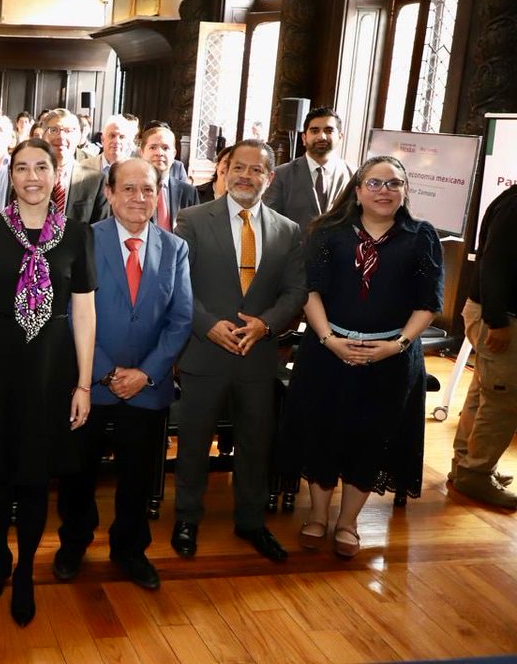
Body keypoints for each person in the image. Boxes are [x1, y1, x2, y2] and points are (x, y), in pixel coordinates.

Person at [0, 137, 95, 627]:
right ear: (9, 176)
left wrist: (83, 385)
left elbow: (84, 312)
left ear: (57, 174)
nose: (32, 177)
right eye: (22, 168)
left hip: (51, 370)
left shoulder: (78, 235)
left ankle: (25, 572)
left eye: (42, 167)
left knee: (37, 475)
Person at [285, 156, 442, 554]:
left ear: (405, 191)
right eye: (374, 183)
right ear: (357, 191)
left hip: (390, 358)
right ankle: (318, 516)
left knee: (371, 438)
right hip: (327, 353)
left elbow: (428, 303)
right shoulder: (327, 233)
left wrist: (397, 345)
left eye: (394, 183)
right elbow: (310, 292)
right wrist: (328, 339)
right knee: (322, 433)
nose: (384, 191)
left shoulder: (420, 236)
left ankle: (348, 523)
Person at [54, 157, 192, 591]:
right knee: (77, 473)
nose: (138, 198)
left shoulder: (175, 248)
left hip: (147, 389)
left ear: (158, 195)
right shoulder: (82, 241)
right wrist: (107, 371)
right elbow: (66, 314)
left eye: (147, 189)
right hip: (89, 385)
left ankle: (130, 550)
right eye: (128, 189)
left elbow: (181, 319)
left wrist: (146, 374)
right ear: (109, 194)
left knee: (138, 478)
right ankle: (73, 543)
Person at [171, 139, 306, 562]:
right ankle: (187, 519)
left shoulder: (288, 230)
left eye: (257, 170)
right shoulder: (191, 219)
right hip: (203, 352)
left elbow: (296, 290)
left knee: (255, 441)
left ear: (270, 177)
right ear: (225, 172)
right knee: (194, 442)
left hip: (257, 356)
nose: (246, 176)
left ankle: (251, 521)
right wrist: (208, 326)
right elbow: (178, 284)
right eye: (239, 168)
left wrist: (266, 325)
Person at [451, 183, 517, 508]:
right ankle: (476, 474)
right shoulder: (515, 205)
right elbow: (494, 264)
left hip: (498, 315)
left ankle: (466, 467)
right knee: (504, 400)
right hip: (501, 319)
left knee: (485, 391)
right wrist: (498, 321)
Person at [265, 107, 354, 232]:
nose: (322, 136)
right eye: (314, 131)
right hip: (294, 250)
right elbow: (269, 222)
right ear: (304, 138)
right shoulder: (281, 175)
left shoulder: (354, 176)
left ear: (340, 137)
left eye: (329, 130)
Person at [41, 108, 109, 223]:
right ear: (43, 136)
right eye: (54, 130)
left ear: (78, 138)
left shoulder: (96, 181)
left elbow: (100, 229)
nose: (61, 136)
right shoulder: (29, 176)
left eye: (68, 131)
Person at [140, 122, 198, 230]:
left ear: (174, 154)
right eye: (153, 147)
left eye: (165, 148)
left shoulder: (188, 192)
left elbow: (195, 231)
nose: (159, 153)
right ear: (141, 152)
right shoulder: (130, 189)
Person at [82, 114, 138, 180]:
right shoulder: (84, 167)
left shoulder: (136, 170)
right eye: (112, 135)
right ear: (102, 139)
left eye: (122, 137)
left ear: (128, 143)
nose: (116, 141)